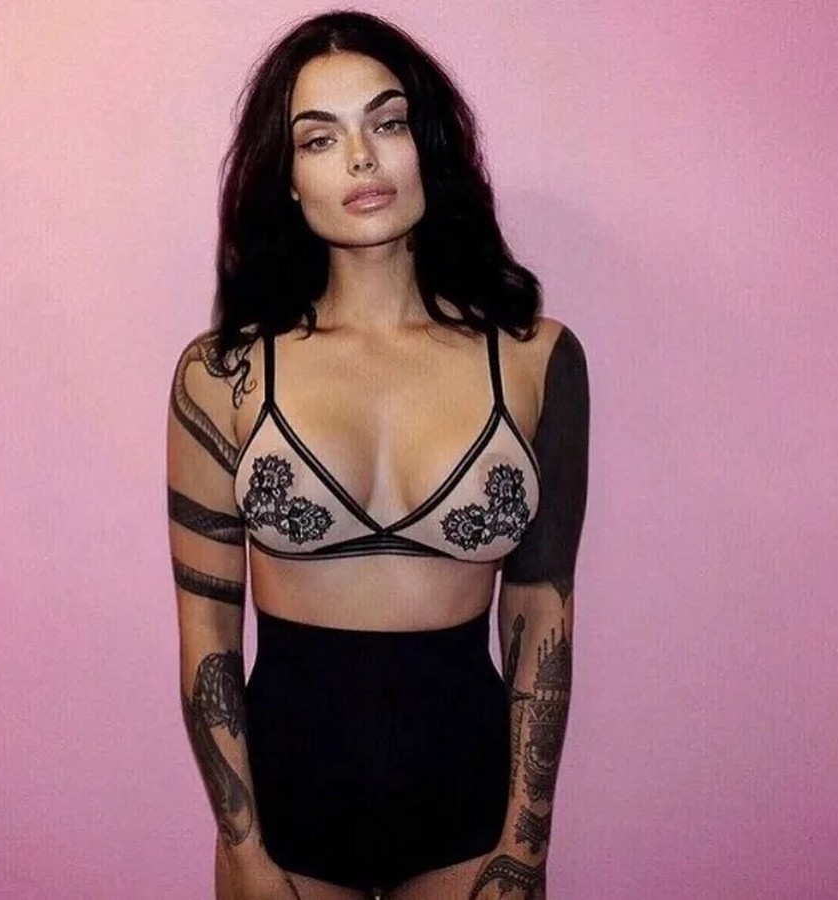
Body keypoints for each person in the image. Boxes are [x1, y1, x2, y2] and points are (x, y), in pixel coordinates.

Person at [166, 10, 589, 900]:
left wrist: (523, 845)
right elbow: (207, 631)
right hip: (285, 812)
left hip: (469, 806)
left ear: (425, 144)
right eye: (319, 139)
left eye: (386, 123)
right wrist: (241, 846)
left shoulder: (534, 358)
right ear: (286, 179)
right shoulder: (222, 374)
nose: (361, 159)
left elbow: (540, 612)